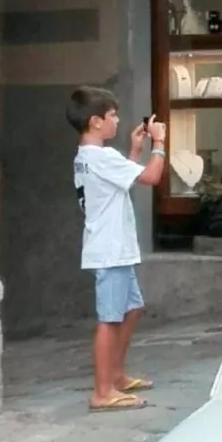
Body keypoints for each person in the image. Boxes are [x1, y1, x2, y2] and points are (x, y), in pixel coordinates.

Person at [68, 87, 166, 412]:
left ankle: (116, 375)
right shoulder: (102, 157)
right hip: (111, 249)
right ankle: (102, 390)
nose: (117, 120)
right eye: (112, 115)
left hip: (112, 246)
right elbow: (152, 177)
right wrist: (160, 144)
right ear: (96, 121)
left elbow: (120, 179)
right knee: (109, 319)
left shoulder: (86, 157)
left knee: (132, 308)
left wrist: (135, 150)